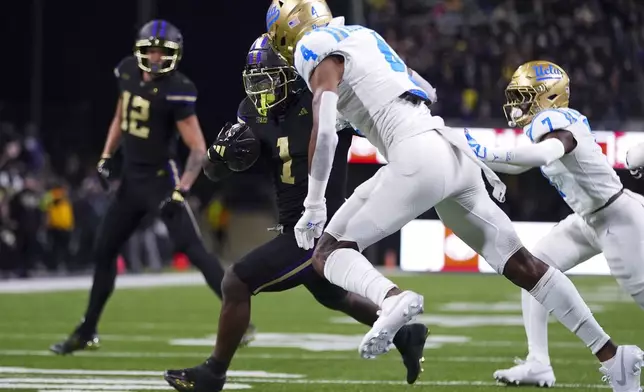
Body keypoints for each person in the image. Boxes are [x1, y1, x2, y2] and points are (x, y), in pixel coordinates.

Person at [266, 1, 641, 391]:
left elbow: (324, 133)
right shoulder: (364, 36)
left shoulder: (314, 45)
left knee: (326, 251)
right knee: (525, 266)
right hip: (449, 152)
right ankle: (612, 356)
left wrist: (313, 204)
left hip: (416, 157)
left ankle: (391, 297)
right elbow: (422, 88)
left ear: (288, 30)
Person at [162, 34, 430, 392]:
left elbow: (382, 98)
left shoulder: (328, 102)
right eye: (257, 80)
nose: (263, 89)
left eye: (270, 78)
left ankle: (213, 375)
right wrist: (219, 156)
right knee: (331, 294)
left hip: (323, 229)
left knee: (236, 281)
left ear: (294, 73)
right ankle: (407, 335)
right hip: (294, 225)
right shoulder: (253, 111)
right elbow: (217, 171)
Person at [49, 19, 255, 354]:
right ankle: (87, 329)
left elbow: (197, 148)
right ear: (140, 52)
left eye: (163, 52)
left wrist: (183, 188)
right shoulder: (128, 72)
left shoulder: (178, 88)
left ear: (175, 55)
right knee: (103, 251)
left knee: (195, 250)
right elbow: (120, 115)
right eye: (152, 51)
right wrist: (105, 155)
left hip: (161, 182)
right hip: (130, 182)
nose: (157, 58)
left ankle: (239, 319)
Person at [462, 60, 644, 388]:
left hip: (619, 221)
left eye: (525, 95)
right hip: (592, 218)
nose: (517, 104)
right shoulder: (549, 120)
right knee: (535, 269)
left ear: (547, 96)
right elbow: (524, 163)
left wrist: (483, 151)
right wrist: (485, 156)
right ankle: (540, 362)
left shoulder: (553, 120)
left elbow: (545, 153)